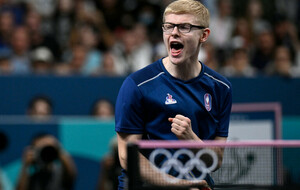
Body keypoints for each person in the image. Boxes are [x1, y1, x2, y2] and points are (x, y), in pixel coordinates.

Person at [115, 0, 232, 190]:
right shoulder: (137, 85)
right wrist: (180, 185)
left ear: (204, 35)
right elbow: (127, 156)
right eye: (168, 26)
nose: (174, 33)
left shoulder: (221, 88)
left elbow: (216, 160)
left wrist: (190, 138)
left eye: (185, 27)